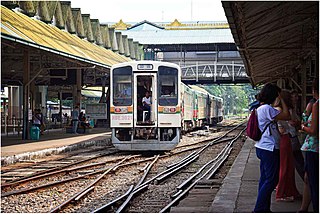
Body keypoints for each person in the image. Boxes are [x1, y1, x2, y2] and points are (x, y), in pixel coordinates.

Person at [253, 83, 291, 213]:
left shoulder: (261, 108)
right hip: (269, 148)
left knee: (264, 179)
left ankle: (264, 208)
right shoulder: (267, 109)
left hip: (261, 147)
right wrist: (282, 100)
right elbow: (286, 115)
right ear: (275, 96)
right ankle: (258, 209)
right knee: (272, 180)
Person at [275, 90, 301, 202]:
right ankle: (281, 193)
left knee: (289, 167)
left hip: (287, 139)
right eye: (290, 98)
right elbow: (283, 124)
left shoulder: (285, 109)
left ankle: (289, 191)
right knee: (285, 167)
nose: (293, 99)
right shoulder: (280, 110)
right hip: (285, 139)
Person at [300, 79, 319, 213]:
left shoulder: (317, 105)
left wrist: (302, 127)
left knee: (314, 181)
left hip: (314, 148)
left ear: (314, 91)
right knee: (309, 179)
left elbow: (313, 131)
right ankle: (304, 208)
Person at [289, 90, 305, 180]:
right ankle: (306, 179)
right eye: (294, 96)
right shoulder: (289, 109)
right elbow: (292, 122)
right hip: (291, 137)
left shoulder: (293, 108)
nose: (297, 98)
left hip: (292, 136)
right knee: (298, 161)